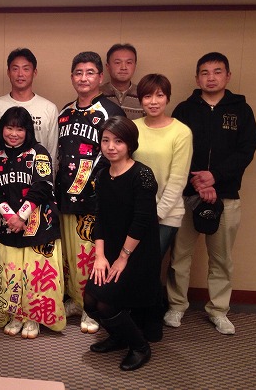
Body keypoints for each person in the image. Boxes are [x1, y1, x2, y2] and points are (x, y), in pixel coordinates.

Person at [165, 52, 256, 335]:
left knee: (221, 259)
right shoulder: (185, 110)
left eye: (217, 72)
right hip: (188, 195)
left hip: (226, 195)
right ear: (197, 78)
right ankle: (176, 305)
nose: (211, 77)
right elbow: (175, 150)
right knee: (179, 256)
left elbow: (246, 151)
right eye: (205, 73)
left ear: (228, 76)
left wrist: (215, 177)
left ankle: (218, 310)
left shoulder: (241, 110)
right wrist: (198, 183)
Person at [84, 116, 160, 371]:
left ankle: (140, 347)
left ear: (130, 144)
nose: (111, 146)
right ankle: (119, 336)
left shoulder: (142, 175)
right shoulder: (103, 176)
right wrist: (100, 256)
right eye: (105, 140)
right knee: (90, 301)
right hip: (112, 250)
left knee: (105, 303)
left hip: (138, 252)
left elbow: (141, 221)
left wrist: (123, 258)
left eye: (118, 141)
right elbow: (100, 218)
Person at [57, 51, 125, 334]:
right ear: (72, 76)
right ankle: (75, 300)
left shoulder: (110, 111)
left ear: (100, 76)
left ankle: (92, 306)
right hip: (65, 196)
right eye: (78, 72)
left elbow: (119, 154)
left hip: (95, 198)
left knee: (92, 254)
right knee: (70, 255)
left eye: (89, 73)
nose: (83, 78)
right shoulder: (65, 112)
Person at [0, 106, 65, 339]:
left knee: (35, 274)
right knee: (12, 273)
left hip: (38, 228)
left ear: (28, 131)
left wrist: (21, 216)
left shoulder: (38, 152)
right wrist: (9, 216)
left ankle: (33, 318)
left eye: (20, 129)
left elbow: (43, 186)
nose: (14, 134)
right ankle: (16, 315)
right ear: (1, 129)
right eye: (9, 128)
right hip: (8, 226)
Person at [132, 74, 193, 259]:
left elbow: (178, 180)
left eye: (159, 95)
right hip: (135, 212)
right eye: (147, 96)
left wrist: (156, 215)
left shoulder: (181, 132)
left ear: (167, 98)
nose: (153, 102)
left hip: (166, 214)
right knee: (130, 265)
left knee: (149, 263)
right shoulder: (132, 128)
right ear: (140, 99)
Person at [0, 48, 58, 171]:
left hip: (38, 177)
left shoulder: (49, 109)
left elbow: (52, 152)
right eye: (15, 69)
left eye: (26, 69)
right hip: (3, 176)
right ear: (8, 72)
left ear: (34, 72)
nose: (20, 74)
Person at [100, 43, 144, 119]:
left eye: (129, 62)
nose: (123, 67)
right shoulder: (97, 94)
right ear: (107, 67)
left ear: (135, 66)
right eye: (117, 62)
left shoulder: (144, 94)